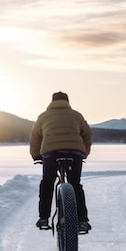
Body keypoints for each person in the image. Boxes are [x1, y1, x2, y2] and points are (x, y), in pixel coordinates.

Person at [29, 91, 92, 233]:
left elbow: (35, 139)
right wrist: (83, 153)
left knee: (47, 182)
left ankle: (44, 217)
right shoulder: (77, 115)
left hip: (51, 154)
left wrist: (36, 155)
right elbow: (87, 135)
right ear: (67, 102)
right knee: (75, 184)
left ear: (51, 102)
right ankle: (82, 220)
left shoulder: (43, 116)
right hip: (74, 152)